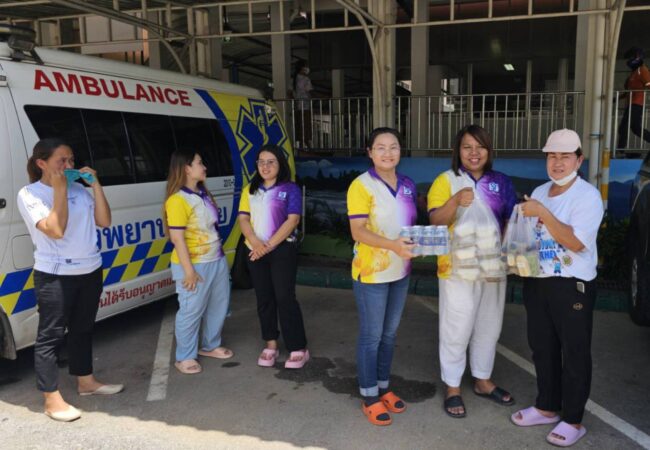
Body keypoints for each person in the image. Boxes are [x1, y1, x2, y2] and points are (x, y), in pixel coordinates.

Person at [17, 138, 123, 422]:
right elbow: (55, 230)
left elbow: (105, 221)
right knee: (50, 336)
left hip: (90, 269)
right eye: (61, 161)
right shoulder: (30, 194)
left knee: (83, 329)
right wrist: (60, 190)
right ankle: (51, 399)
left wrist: (96, 185)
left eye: (71, 160)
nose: (68, 165)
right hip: (55, 275)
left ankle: (86, 382)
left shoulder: (80, 190)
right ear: (42, 163)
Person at [512, 129, 603, 447]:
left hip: (572, 284)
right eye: (552, 156)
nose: (558, 162)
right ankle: (546, 406)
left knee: (574, 352)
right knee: (542, 347)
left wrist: (543, 214)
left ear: (579, 159)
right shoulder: (540, 191)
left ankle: (573, 419)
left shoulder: (587, 196)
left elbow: (576, 242)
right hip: (538, 280)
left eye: (565, 156)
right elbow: (531, 235)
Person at [427, 124, 516, 419]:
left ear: (489, 150)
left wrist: (512, 255)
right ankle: (452, 386)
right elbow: (436, 221)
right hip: (456, 268)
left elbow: (509, 223)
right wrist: (454, 201)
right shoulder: (445, 180)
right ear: (458, 150)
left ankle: (482, 380)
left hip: (493, 267)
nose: (474, 153)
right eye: (467, 147)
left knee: (489, 325)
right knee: (457, 326)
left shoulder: (501, 182)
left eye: (480, 147)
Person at [347, 127, 417, 426]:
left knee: (389, 334)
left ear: (401, 150)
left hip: (400, 270)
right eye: (381, 147)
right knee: (372, 336)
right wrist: (393, 246)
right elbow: (358, 231)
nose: (388, 153)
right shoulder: (361, 186)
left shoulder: (408, 184)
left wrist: (418, 244)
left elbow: (409, 225)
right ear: (370, 152)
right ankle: (369, 396)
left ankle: (383, 387)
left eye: (394, 147)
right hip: (371, 273)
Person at [237, 144, 309, 369]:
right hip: (255, 250)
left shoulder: (290, 188)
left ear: (280, 164)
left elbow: (293, 220)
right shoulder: (250, 190)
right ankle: (271, 344)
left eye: (271, 162)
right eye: (261, 162)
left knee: (285, 297)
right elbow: (243, 219)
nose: (265, 166)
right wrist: (255, 242)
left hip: (282, 250)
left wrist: (267, 246)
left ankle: (298, 347)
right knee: (264, 298)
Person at [164, 149, 233, 375]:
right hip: (193, 264)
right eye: (200, 163)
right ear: (186, 168)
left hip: (216, 259)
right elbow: (177, 238)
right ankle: (185, 357)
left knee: (218, 306)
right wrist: (189, 271)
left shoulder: (203, 194)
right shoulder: (177, 200)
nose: (204, 167)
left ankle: (211, 345)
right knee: (191, 310)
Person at [617, 46, 650, 149]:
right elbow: (628, 91)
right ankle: (621, 149)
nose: (628, 61)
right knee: (635, 128)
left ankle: (620, 150)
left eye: (629, 58)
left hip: (636, 104)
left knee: (624, 128)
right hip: (631, 104)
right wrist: (617, 98)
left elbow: (648, 84)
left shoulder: (642, 70)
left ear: (636, 57)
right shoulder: (633, 73)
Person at [292, 61, 313, 149]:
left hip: (298, 106)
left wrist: (295, 100)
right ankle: (307, 145)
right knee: (306, 126)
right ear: (302, 68)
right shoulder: (305, 79)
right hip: (305, 105)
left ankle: (301, 144)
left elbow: (290, 92)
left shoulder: (294, 79)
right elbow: (310, 91)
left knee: (300, 126)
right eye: (306, 66)